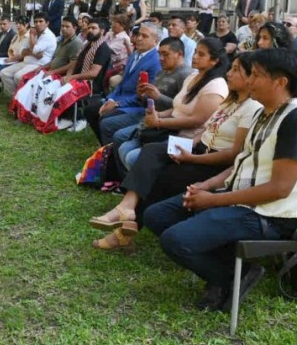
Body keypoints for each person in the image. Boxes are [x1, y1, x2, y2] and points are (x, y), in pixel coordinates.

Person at [144, 48, 297, 312]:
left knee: (176, 239)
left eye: (256, 75)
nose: (249, 81)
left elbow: (280, 188)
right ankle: (230, 266)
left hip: (268, 214)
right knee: (156, 215)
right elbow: (243, 163)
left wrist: (214, 202)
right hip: (242, 200)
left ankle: (231, 275)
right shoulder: (265, 113)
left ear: (280, 82)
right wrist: (206, 187)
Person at [89, 52, 262, 252]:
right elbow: (207, 130)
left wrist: (194, 157)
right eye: (230, 68)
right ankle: (126, 208)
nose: (229, 73)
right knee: (152, 150)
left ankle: (124, 229)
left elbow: (234, 155)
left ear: (251, 77)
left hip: (213, 162)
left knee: (159, 176)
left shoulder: (252, 108)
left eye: (236, 70)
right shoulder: (230, 101)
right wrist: (188, 145)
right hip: (198, 149)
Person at [116, 38, 229, 171]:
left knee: (133, 157)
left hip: (188, 139)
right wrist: (157, 114)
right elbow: (177, 108)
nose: (195, 57)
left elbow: (196, 121)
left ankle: (146, 188)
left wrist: (159, 122)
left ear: (214, 60)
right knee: (124, 148)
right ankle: (131, 185)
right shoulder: (192, 77)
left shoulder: (215, 86)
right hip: (171, 129)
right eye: (195, 52)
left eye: (201, 54)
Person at [84, 22, 163, 145]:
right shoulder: (134, 55)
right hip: (120, 99)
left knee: (106, 119)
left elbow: (144, 95)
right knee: (90, 110)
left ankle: (110, 156)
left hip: (135, 106)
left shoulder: (156, 62)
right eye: (139, 35)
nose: (139, 38)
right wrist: (110, 100)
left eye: (145, 36)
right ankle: (105, 148)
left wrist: (117, 104)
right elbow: (122, 83)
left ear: (156, 41)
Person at [0, 13, 57, 95]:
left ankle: (22, 99)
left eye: (41, 21)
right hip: (26, 62)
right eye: (36, 22)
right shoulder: (33, 32)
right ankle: (15, 97)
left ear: (47, 23)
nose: (38, 24)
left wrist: (32, 36)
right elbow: (22, 51)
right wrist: (33, 52)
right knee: (3, 73)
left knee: (18, 76)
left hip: (39, 65)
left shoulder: (48, 36)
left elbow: (35, 50)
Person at [103, 14, 134, 89]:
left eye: (115, 23)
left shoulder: (124, 38)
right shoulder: (109, 34)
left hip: (114, 64)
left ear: (122, 26)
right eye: (113, 22)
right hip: (105, 59)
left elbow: (107, 49)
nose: (112, 25)